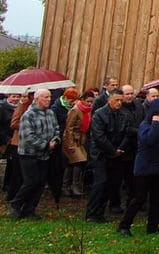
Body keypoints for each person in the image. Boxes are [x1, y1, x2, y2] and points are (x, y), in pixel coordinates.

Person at [117, 98, 159, 237]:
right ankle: (124, 225)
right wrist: (155, 124)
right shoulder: (145, 125)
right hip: (144, 167)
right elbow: (149, 140)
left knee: (157, 199)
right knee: (139, 198)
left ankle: (153, 227)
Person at [8, 89, 59, 219]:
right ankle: (15, 203)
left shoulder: (51, 113)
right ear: (37, 99)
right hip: (29, 154)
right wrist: (45, 144)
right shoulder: (28, 115)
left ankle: (30, 209)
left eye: (49, 97)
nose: (49, 99)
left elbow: (56, 129)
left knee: (41, 183)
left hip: (45, 154)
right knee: (31, 181)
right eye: (45, 97)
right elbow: (28, 137)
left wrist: (55, 140)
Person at [86, 88, 127, 223]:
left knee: (111, 184)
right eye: (116, 100)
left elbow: (125, 133)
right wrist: (112, 150)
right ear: (109, 100)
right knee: (100, 183)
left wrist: (119, 149)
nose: (119, 103)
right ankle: (92, 213)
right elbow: (99, 137)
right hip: (100, 155)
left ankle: (100, 212)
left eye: (121, 100)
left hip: (115, 155)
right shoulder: (99, 114)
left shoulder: (122, 115)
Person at [63, 89, 96, 197]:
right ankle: (71, 185)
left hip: (82, 140)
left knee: (75, 163)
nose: (90, 104)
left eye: (91, 102)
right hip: (73, 139)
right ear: (82, 100)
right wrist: (70, 143)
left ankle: (70, 185)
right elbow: (69, 128)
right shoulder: (76, 110)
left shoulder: (88, 111)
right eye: (88, 101)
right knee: (77, 161)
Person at [119, 84, 147, 209]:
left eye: (131, 93)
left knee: (136, 177)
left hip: (138, 146)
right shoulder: (120, 108)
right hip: (125, 145)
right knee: (124, 177)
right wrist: (139, 131)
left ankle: (134, 200)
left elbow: (144, 119)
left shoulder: (138, 106)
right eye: (127, 94)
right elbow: (124, 127)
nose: (130, 96)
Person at [0, 93, 22, 193]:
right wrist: (6, 138)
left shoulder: (21, 108)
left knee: (12, 162)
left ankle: (9, 184)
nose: (16, 98)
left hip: (16, 139)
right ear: (8, 97)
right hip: (5, 139)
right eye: (14, 96)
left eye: (18, 96)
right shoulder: (3, 108)